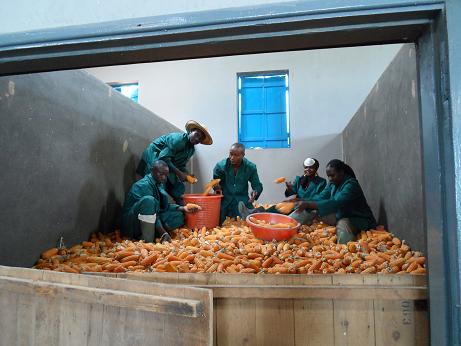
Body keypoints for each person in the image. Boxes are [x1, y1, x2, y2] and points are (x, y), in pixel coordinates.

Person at [295, 159, 377, 244]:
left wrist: (309, 204)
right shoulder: (332, 183)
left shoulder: (351, 185)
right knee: (310, 211)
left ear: (341, 172)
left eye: (332, 175)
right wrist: (302, 201)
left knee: (342, 226)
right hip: (340, 214)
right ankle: (288, 226)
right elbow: (321, 197)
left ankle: (346, 250)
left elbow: (336, 203)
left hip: (357, 219)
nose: (330, 179)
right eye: (328, 176)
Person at [136, 120, 212, 205]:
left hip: (166, 164)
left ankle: (182, 208)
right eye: (197, 135)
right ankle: (158, 209)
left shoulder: (191, 150)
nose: (197, 139)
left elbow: (180, 165)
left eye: (200, 139)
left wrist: (187, 174)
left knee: (178, 187)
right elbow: (163, 157)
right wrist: (180, 174)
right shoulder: (178, 140)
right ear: (191, 131)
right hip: (155, 159)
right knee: (159, 186)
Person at [122, 160, 199, 243]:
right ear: (152, 170)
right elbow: (152, 210)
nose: (164, 178)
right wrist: (163, 232)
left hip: (151, 216)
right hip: (132, 224)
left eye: (166, 175)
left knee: (178, 216)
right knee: (149, 200)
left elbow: (163, 207)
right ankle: (147, 240)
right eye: (161, 174)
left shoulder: (159, 183)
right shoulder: (143, 185)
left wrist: (183, 208)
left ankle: (153, 233)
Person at [213, 143, 263, 223]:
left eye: (236, 155)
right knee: (217, 221)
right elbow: (215, 183)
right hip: (225, 201)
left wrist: (255, 192)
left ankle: (250, 212)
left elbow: (257, 185)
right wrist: (216, 187)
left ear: (243, 155)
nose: (232, 158)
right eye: (231, 154)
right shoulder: (221, 166)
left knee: (251, 220)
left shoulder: (250, 167)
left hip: (242, 201)